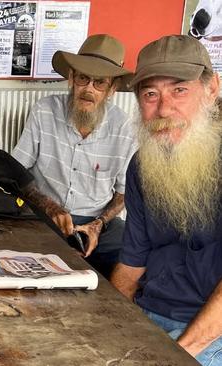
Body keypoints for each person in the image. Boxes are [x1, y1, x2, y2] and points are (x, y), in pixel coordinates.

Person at [111, 35, 222, 365]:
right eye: (150, 94)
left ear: (212, 89)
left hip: (210, 331)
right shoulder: (142, 166)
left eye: (179, 90)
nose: (163, 108)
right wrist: (109, 323)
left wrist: (175, 355)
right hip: (150, 314)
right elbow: (132, 264)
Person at [11, 34, 138, 278]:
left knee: (133, 259)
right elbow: (17, 172)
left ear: (112, 89)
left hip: (99, 221)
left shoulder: (124, 128)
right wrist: (50, 207)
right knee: (20, 247)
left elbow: (124, 194)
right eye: (83, 78)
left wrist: (97, 225)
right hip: (44, 215)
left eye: (99, 82)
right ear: (71, 79)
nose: (89, 89)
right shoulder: (44, 111)